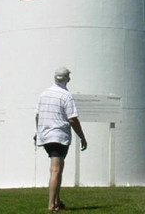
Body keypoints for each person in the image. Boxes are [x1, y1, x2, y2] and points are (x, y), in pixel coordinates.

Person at [35, 67, 87, 212]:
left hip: (45, 135)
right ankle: (52, 205)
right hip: (58, 135)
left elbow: (37, 116)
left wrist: (38, 132)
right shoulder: (66, 95)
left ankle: (57, 200)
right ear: (67, 79)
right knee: (56, 170)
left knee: (58, 168)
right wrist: (82, 137)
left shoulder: (44, 94)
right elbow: (72, 119)